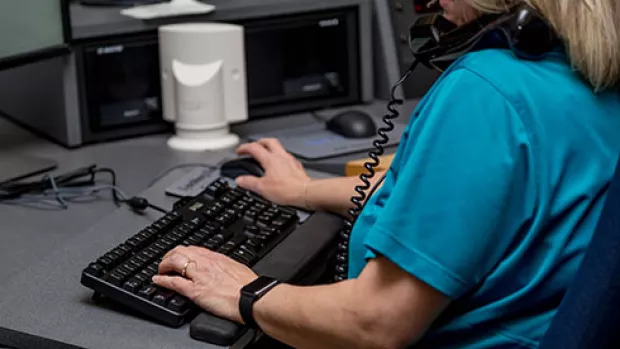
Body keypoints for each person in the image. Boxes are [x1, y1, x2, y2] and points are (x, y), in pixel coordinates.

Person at [153, 0, 620, 347]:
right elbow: (460, 194)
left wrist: (244, 291)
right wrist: (305, 190)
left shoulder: (486, 90)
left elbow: (377, 320)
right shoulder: (583, 77)